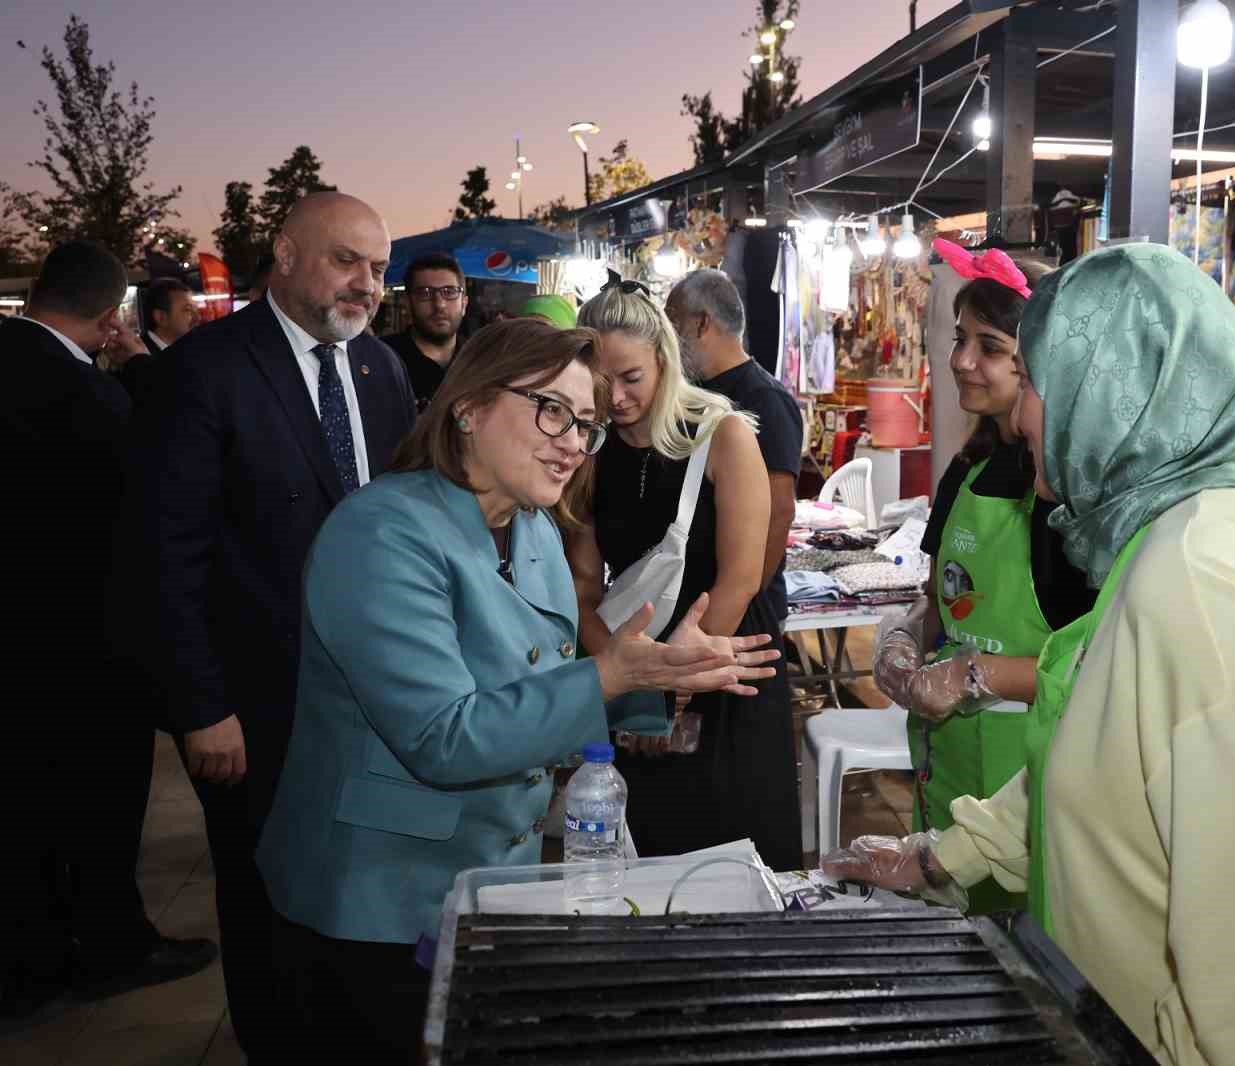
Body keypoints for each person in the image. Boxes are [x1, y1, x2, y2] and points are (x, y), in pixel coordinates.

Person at [827, 245, 1235, 1066]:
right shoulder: (1170, 534)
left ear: (1115, 393)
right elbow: (1104, 757)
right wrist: (940, 854)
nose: (1020, 418)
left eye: (1039, 384)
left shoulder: (1204, 584)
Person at [255, 318, 779, 1057]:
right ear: (467, 407)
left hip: (493, 885)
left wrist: (657, 679)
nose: (573, 441)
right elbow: (444, 736)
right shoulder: (380, 532)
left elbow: (544, 690)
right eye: (552, 410)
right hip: (377, 901)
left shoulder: (530, 527)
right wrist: (616, 672)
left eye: (587, 425)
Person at [119, 192, 417, 1058]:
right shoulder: (205, 371)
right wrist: (199, 705)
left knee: (353, 891)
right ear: (285, 254)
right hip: (256, 704)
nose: (367, 284)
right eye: (346, 261)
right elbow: (161, 555)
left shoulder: (378, 369)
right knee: (265, 901)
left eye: (377, 266)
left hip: (370, 694)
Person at [1, 242, 213, 1026]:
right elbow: (147, 484)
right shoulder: (80, 392)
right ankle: (109, 947)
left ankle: (30, 960)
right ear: (108, 314)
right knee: (94, 808)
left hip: (22, 649)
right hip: (83, 649)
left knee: (25, 812)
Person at [870, 240, 1094, 914]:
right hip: (949, 769)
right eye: (961, 338)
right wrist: (904, 638)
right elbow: (942, 597)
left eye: (989, 346)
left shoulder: (1072, 495)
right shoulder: (966, 471)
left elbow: (1095, 666)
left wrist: (977, 675)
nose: (961, 360)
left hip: (1032, 783)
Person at [568, 279, 804, 871]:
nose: (616, 397)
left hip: (726, 663)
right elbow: (583, 585)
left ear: (663, 360)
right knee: (647, 854)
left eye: (631, 378)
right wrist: (628, 679)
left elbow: (742, 576)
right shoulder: (586, 449)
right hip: (636, 665)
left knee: (733, 854)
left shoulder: (722, 433)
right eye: (601, 382)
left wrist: (675, 684)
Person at [666, 269, 802, 610]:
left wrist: (744, 599)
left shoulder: (764, 399)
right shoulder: (693, 393)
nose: (667, 337)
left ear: (700, 324)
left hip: (742, 608)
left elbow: (779, 511)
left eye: (672, 321)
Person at [382, 252, 467, 410]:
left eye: (449, 292)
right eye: (425, 293)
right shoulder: (381, 360)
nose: (439, 304)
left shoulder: (480, 360)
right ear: (407, 303)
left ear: (464, 304)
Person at [118, 278, 198, 405]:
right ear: (161, 317)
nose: (197, 317)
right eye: (188, 310)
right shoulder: (135, 358)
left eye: (196, 309)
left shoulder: (191, 352)